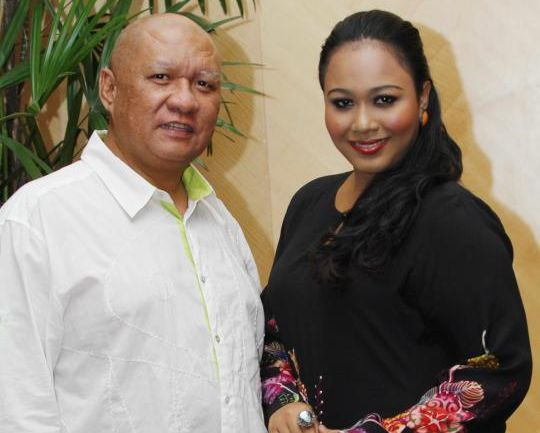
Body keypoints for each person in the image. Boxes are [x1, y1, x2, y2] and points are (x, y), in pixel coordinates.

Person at [261, 10, 532, 433]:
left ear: (422, 97)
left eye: (384, 100)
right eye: (343, 103)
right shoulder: (308, 203)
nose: (362, 123)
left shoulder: (453, 221)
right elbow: (272, 329)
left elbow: (497, 371)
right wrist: (284, 402)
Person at [0, 13, 266, 433]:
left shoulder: (220, 222)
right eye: (161, 77)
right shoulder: (37, 220)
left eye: (205, 84)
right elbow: (17, 410)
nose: (185, 101)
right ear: (109, 88)